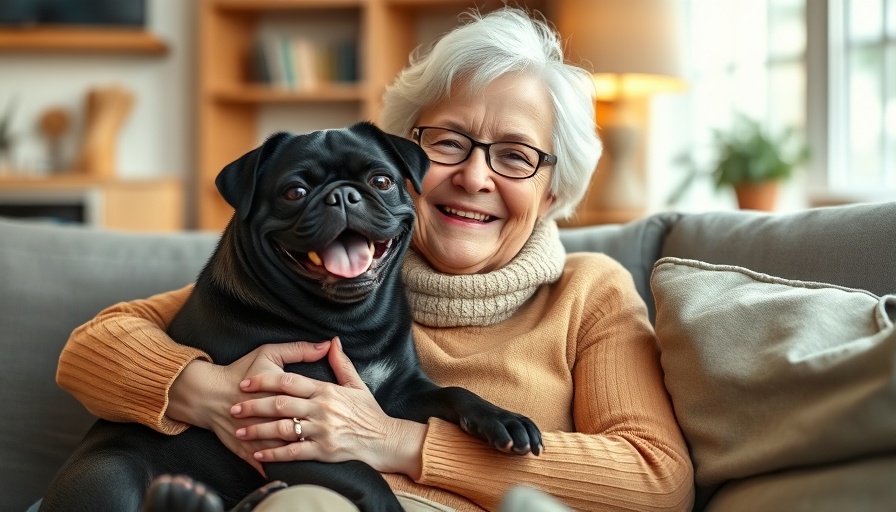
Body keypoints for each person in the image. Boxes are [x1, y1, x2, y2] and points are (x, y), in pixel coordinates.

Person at [45, 7, 694, 512]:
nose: (474, 176)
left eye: (515, 155)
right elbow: (92, 348)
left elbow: (655, 479)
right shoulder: (314, 269)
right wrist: (212, 394)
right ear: (404, 162)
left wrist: (399, 443)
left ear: (553, 187)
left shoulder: (589, 292)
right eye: (449, 142)